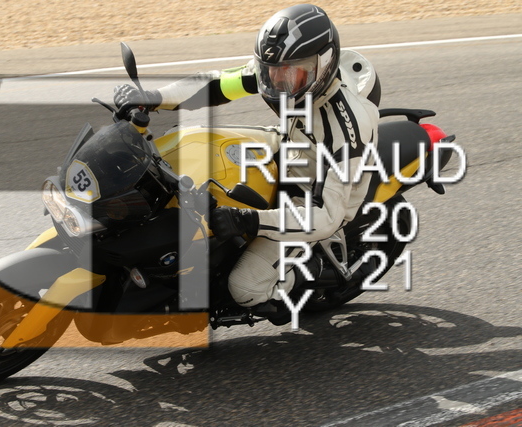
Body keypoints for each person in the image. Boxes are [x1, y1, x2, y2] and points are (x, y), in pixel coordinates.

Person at [114, 4, 381, 321]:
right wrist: (154, 97)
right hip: (289, 144)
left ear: (322, 67)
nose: (278, 81)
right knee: (193, 140)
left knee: (244, 287)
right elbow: (216, 84)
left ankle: (308, 271)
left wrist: (248, 220)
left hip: (318, 198)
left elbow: (326, 216)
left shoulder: (344, 129)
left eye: (291, 73)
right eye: (271, 71)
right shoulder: (282, 71)